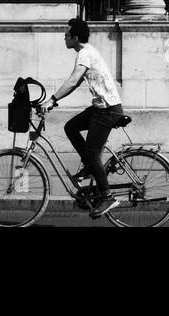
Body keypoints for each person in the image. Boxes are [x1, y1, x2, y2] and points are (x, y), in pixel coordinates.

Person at [44, 19, 124, 218]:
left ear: (75, 37)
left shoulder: (85, 53)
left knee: (93, 152)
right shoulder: (86, 53)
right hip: (102, 108)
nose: (64, 36)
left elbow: (72, 80)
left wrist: (52, 99)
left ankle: (107, 196)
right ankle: (89, 167)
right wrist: (54, 101)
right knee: (71, 127)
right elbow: (75, 82)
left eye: (67, 34)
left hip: (108, 110)